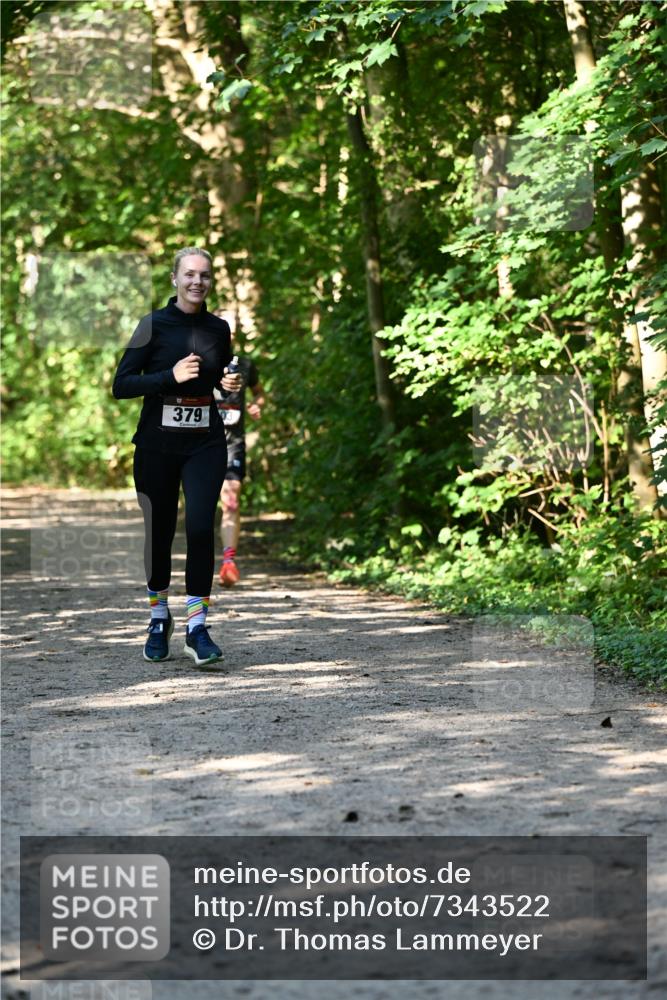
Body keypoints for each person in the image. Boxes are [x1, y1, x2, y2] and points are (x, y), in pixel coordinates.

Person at [112, 247, 243, 666]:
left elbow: (220, 380)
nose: (196, 282)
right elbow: (122, 384)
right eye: (189, 274)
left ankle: (197, 628)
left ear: (210, 281)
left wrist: (229, 383)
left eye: (204, 276)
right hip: (157, 444)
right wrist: (168, 377)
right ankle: (157, 618)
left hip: (204, 441)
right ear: (174, 278)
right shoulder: (152, 325)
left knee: (202, 527)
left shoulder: (218, 328)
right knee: (160, 531)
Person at [215, 357, 266, 586]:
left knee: (232, 500)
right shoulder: (199, 360)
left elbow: (259, 392)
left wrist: (257, 404)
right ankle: (197, 564)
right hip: (200, 442)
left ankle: (228, 562)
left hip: (233, 444)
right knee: (202, 504)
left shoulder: (245, 365)